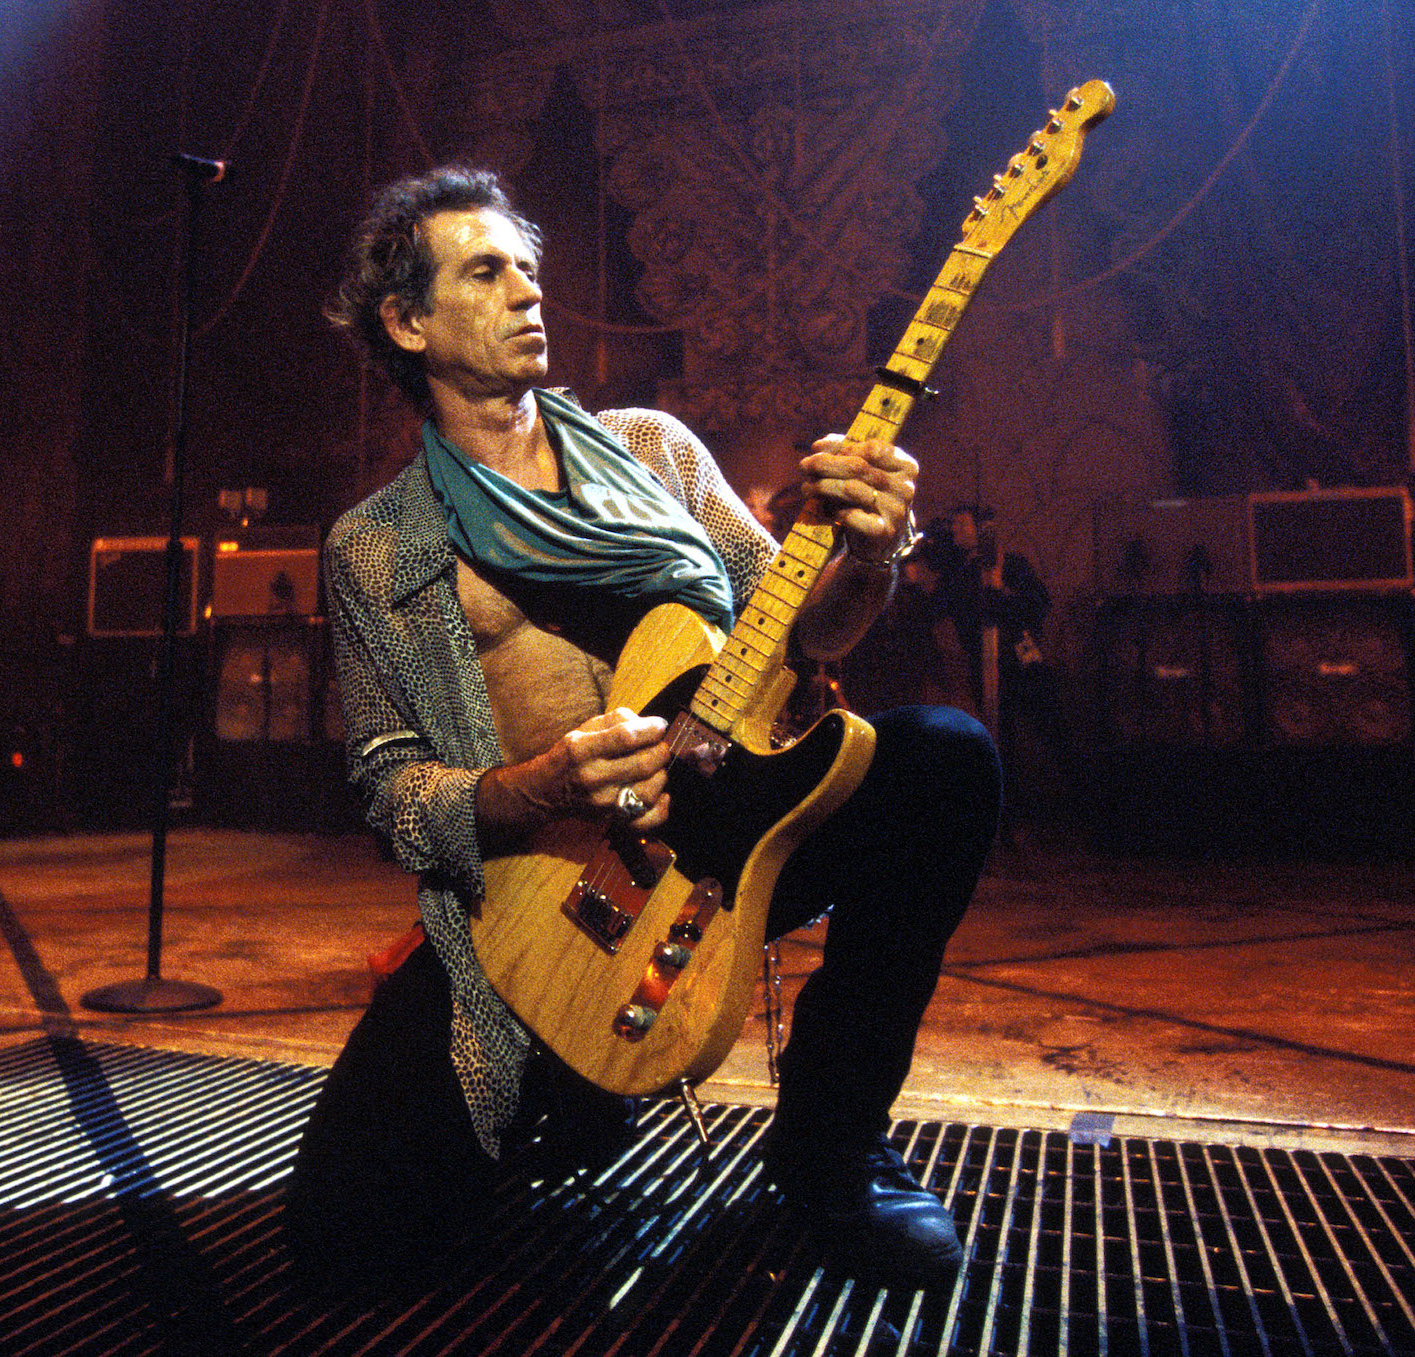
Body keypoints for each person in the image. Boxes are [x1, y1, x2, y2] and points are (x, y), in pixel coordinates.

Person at [284, 167, 1001, 1294]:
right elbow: (387, 789)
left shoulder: (652, 452)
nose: (528, 293)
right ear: (407, 320)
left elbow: (801, 627)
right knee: (344, 1245)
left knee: (942, 759)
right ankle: (567, 1098)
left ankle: (830, 1147)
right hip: (541, 902)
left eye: (529, 268)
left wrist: (869, 553)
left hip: (735, 824)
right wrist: (535, 784)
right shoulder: (378, 545)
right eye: (486, 271)